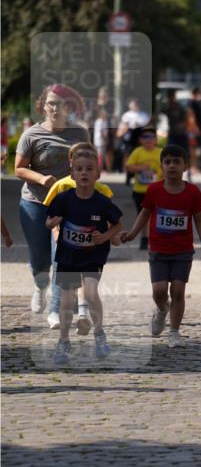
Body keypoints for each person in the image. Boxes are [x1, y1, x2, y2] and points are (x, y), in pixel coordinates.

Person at [120, 144, 201, 348]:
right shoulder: (154, 190)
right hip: (158, 249)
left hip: (182, 250)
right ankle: (161, 309)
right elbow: (144, 213)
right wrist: (132, 234)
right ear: (161, 166)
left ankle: (174, 332)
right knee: (159, 291)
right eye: (167, 162)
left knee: (178, 291)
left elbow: (199, 219)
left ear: (185, 166)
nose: (172, 166)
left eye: (177, 162)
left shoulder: (193, 192)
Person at [14, 84, 89, 317]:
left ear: (69, 107)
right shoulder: (32, 134)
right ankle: (40, 285)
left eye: (61, 104)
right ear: (43, 106)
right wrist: (41, 178)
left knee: (62, 256)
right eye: (51, 103)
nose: (55, 108)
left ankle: (56, 309)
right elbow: (19, 169)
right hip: (35, 203)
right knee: (40, 259)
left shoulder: (80, 133)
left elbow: (87, 163)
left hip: (68, 205)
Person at [45, 145, 123, 364]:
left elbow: (118, 225)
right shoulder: (64, 199)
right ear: (72, 174)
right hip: (68, 255)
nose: (84, 173)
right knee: (66, 300)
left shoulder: (102, 202)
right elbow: (48, 221)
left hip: (93, 255)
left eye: (89, 169)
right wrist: (52, 223)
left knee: (89, 292)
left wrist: (105, 236)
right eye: (79, 169)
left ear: (97, 174)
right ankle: (63, 341)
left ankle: (99, 333)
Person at [126, 127, 163, 249]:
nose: (148, 140)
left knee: (156, 216)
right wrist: (140, 168)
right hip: (139, 190)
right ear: (140, 140)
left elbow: (168, 167)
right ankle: (144, 238)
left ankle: (155, 238)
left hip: (158, 191)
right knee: (142, 216)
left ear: (156, 140)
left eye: (151, 137)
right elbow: (128, 166)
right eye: (145, 137)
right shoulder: (138, 152)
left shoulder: (161, 152)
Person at [116, 98, 151, 171]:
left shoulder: (144, 115)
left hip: (140, 137)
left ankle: (139, 169)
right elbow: (123, 126)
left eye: (136, 104)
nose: (135, 106)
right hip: (129, 138)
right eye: (133, 104)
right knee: (127, 154)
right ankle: (126, 169)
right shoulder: (126, 115)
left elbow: (147, 127)